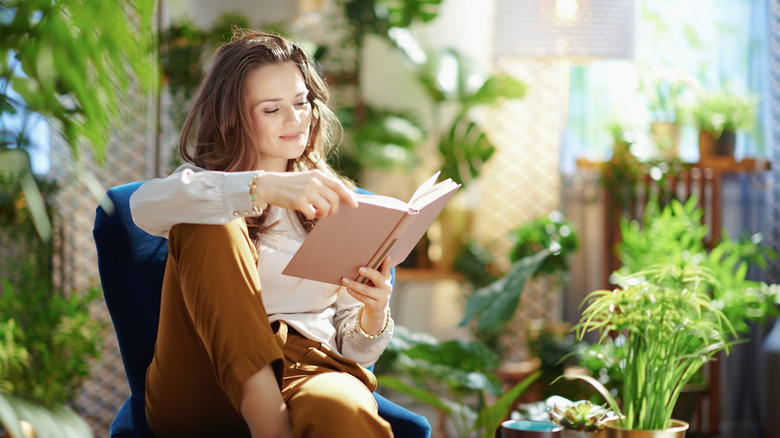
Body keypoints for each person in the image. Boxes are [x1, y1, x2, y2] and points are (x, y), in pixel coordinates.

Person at [129, 30, 397, 438]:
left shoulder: (334, 200)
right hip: (203, 377)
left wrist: (373, 314)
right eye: (272, 110)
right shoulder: (205, 187)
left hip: (308, 366)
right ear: (235, 117)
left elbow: (351, 349)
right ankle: (267, 420)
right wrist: (261, 187)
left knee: (342, 411)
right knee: (208, 218)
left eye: (301, 102)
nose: (296, 120)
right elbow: (140, 207)